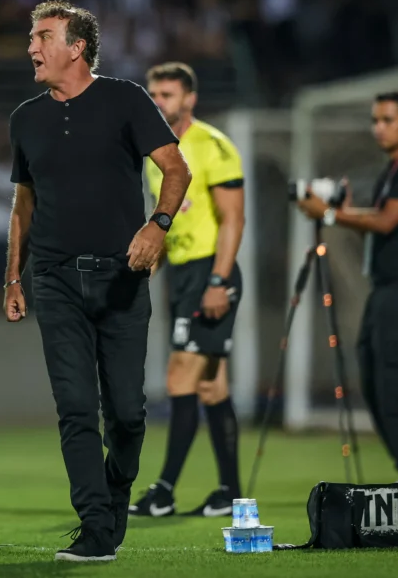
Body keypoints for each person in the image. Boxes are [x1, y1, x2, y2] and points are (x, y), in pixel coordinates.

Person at [5, 1, 191, 562]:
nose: (32, 48)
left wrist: (158, 226)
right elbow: (23, 206)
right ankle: (93, 526)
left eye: (43, 37)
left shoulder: (125, 99)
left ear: (77, 46)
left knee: (128, 415)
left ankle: (114, 496)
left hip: (121, 277)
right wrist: (13, 278)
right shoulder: (25, 119)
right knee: (76, 408)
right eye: (31, 38)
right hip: (54, 281)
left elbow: (177, 169)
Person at [295, 92, 398, 504]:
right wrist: (341, 211)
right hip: (387, 290)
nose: (379, 127)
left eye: (388, 119)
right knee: (377, 382)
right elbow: (380, 221)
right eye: (375, 120)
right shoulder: (392, 172)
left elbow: (386, 221)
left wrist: (329, 214)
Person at [129, 62, 245, 518]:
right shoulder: (156, 154)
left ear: (190, 99)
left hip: (209, 273)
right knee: (212, 387)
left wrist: (218, 281)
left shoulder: (213, 146)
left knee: (180, 376)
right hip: (182, 273)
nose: (158, 102)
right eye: (154, 94)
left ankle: (164, 492)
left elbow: (233, 220)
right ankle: (230, 492)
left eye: (168, 95)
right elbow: (169, 225)